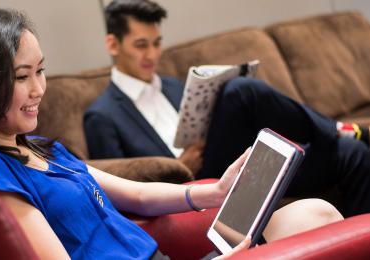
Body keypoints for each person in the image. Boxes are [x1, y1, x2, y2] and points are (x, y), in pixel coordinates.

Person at [0, 8, 344, 260]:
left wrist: (216, 191)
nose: (38, 90)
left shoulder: (46, 150)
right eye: (21, 77)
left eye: (41, 71)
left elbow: (139, 195)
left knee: (315, 213)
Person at [84, 0, 370, 217]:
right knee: (239, 91)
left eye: (157, 43)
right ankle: (340, 129)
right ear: (113, 44)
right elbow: (117, 194)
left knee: (351, 154)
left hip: (237, 165)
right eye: (141, 45)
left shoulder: (175, 86)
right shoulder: (102, 116)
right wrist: (181, 167)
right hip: (198, 184)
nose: (153, 54)